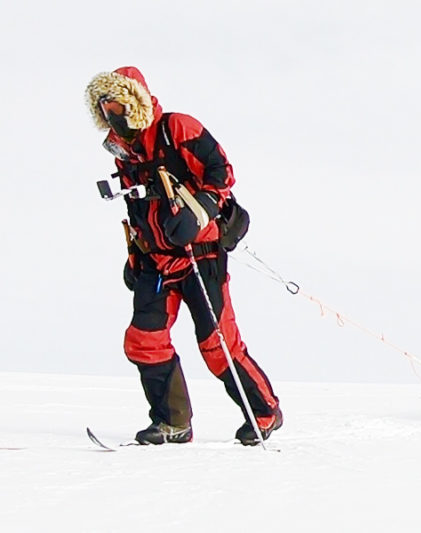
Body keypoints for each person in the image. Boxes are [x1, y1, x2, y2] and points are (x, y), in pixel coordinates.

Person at [85, 66, 282, 446]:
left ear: (135, 101)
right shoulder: (123, 152)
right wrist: (135, 258)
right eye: (104, 108)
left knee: (217, 345)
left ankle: (264, 412)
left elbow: (221, 172)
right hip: (157, 261)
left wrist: (201, 211)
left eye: (117, 104)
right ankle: (173, 423)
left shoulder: (177, 128)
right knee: (143, 339)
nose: (112, 114)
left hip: (200, 255)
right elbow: (137, 209)